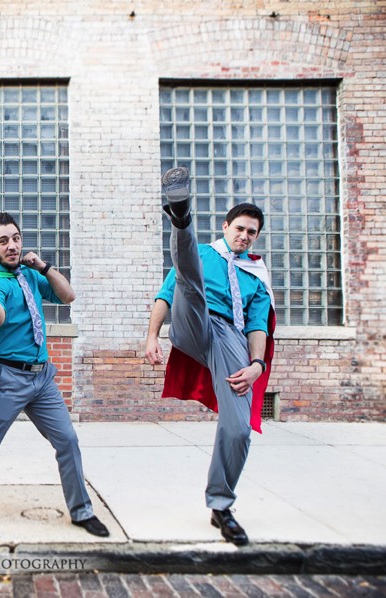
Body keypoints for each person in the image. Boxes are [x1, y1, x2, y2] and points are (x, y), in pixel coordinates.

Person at [0, 212, 110, 538]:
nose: (12, 245)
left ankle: (81, 511)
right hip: (7, 379)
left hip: (42, 379)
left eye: (15, 238)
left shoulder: (30, 275)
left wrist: (43, 266)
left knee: (68, 440)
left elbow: (67, 295)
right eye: (3, 241)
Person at [145, 167, 275, 546]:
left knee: (238, 428)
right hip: (192, 321)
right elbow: (166, 295)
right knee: (191, 281)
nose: (244, 236)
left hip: (230, 339)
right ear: (226, 226)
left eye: (252, 232)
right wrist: (152, 335)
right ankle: (181, 217)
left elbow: (257, 327)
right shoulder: (205, 253)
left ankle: (221, 505)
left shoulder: (256, 275)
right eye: (240, 228)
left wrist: (256, 365)